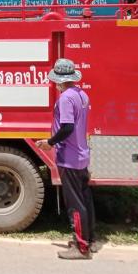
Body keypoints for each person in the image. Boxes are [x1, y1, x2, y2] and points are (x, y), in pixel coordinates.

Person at [36, 58, 97, 260]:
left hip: (69, 158)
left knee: (75, 205)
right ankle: (89, 240)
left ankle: (81, 248)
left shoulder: (65, 98)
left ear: (59, 80)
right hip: (81, 155)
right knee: (85, 200)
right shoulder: (82, 94)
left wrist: (50, 142)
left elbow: (67, 127)